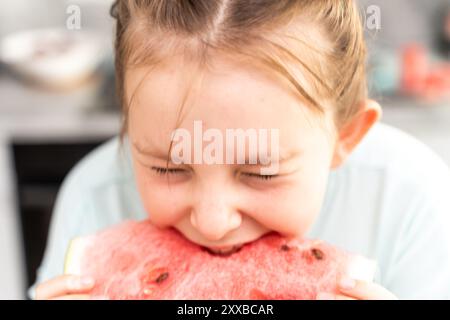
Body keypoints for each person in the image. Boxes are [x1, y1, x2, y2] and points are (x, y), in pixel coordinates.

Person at [32, 0, 450, 300]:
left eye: (261, 173)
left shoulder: (414, 199)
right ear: (128, 125)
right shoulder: (92, 196)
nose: (213, 223)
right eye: (167, 168)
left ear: (346, 136)